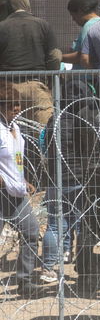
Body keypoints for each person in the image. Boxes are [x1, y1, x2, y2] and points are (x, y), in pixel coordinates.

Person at [0, 101, 44, 297]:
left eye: (18, 104)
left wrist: (23, 179)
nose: (17, 108)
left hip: (16, 192)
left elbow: (15, 159)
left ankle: (24, 281)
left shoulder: (15, 128)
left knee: (31, 231)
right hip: (2, 192)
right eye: (11, 105)